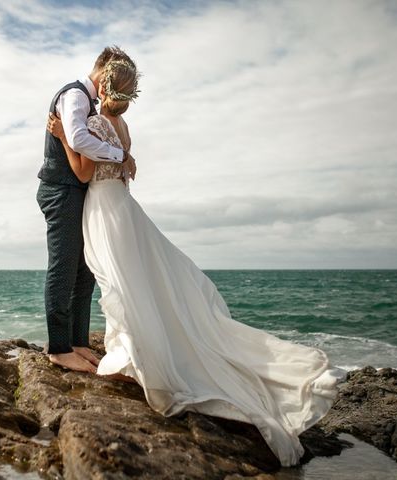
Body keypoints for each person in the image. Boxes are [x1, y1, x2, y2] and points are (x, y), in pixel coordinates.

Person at [47, 57, 344, 467]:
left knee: (117, 281)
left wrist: (64, 137)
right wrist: (119, 157)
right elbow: (124, 169)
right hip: (124, 208)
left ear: (105, 87)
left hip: (102, 210)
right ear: (128, 97)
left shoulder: (96, 124)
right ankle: (117, 349)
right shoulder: (124, 129)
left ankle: (125, 355)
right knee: (136, 279)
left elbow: (81, 174)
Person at [37, 46, 137, 374]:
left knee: (84, 272)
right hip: (61, 191)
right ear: (105, 69)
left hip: (80, 194)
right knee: (64, 268)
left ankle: (78, 342)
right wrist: (119, 154)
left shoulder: (95, 106)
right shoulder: (75, 96)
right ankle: (59, 348)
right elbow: (78, 139)